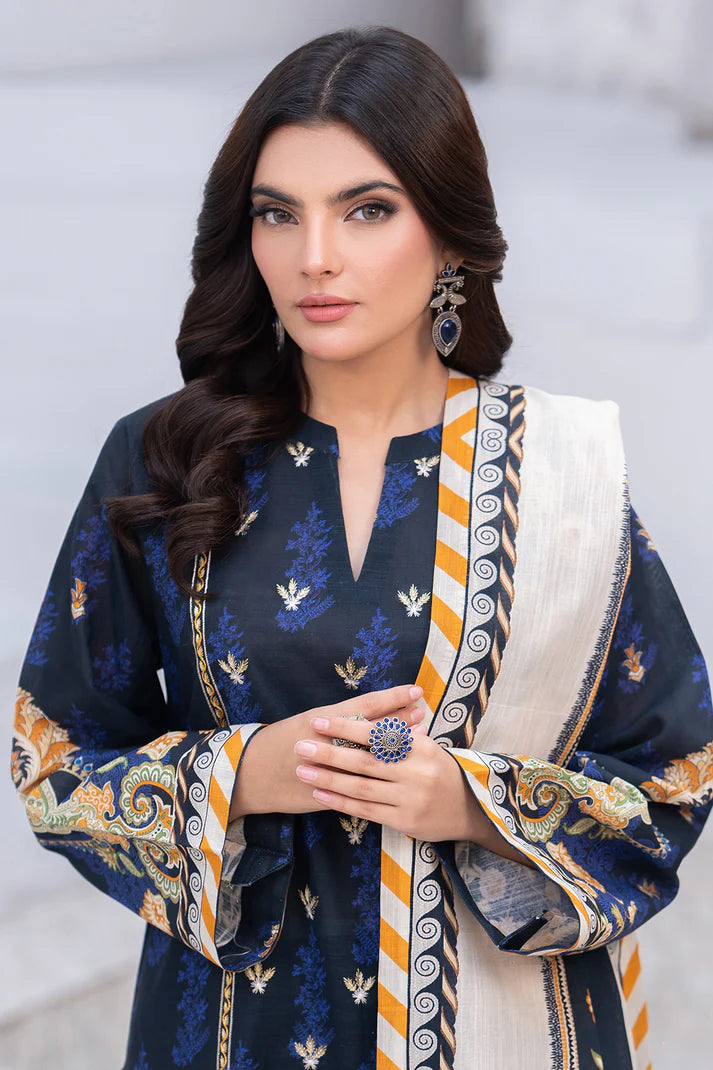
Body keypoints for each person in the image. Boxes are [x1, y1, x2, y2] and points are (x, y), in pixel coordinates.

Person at [10, 24, 713, 1070]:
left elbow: (674, 772)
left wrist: (470, 802)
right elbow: (53, 757)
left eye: (366, 209)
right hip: (230, 1032)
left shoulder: (560, 471)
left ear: (449, 234)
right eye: (277, 213)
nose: (315, 257)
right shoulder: (167, 459)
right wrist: (243, 773)